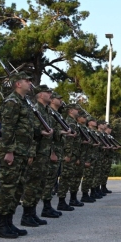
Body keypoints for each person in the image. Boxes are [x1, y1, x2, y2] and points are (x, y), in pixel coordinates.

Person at [0, 72, 36, 239]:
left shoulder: (24, 102)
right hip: (13, 151)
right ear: (18, 84)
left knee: (17, 188)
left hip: (22, 151)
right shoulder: (12, 102)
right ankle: (1, 225)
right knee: (7, 188)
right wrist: (9, 151)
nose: (30, 83)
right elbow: (8, 129)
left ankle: (9, 222)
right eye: (27, 80)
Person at [19, 86, 55, 227]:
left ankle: (33, 213)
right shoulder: (36, 110)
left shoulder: (46, 111)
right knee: (31, 185)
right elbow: (32, 133)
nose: (50, 94)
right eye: (48, 92)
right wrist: (32, 153)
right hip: (37, 153)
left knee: (40, 185)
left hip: (44, 153)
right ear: (40, 95)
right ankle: (26, 215)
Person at [41, 91, 68, 219]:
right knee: (49, 180)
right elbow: (50, 135)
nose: (60, 100)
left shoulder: (55, 114)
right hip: (51, 151)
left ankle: (48, 206)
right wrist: (52, 152)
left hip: (58, 150)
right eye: (58, 98)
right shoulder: (49, 114)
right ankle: (45, 207)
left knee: (52, 180)